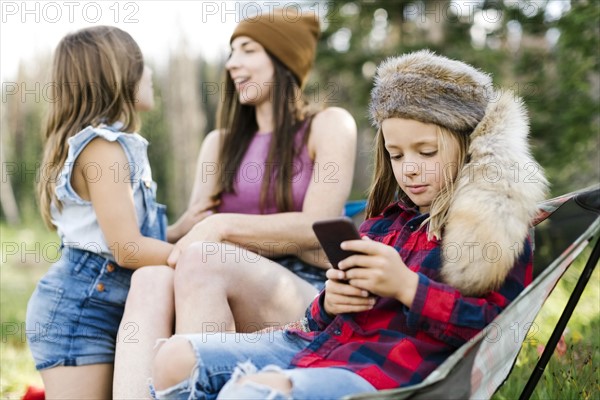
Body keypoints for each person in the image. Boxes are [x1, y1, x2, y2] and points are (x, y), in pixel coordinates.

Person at [150, 50, 549, 399]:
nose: (408, 169)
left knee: (252, 392)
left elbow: (499, 335)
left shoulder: (492, 226)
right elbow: (320, 320)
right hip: (317, 348)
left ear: (468, 146)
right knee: (174, 358)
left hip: (383, 375)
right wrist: (330, 301)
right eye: (395, 154)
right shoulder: (383, 225)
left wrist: (409, 288)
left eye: (426, 152)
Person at [112, 8, 357, 399]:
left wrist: (224, 227)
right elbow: (196, 234)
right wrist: (202, 230)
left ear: (283, 59)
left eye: (247, 50)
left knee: (206, 257)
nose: (232, 64)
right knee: (150, 278)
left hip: (309, 295)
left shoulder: (330, 125)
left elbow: (320, 225)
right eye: (230, 52)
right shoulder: (219, 144)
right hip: (213, 283)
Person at [25, 26, 205, 399]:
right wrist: (194, 254)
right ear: (117, 77)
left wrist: (177, 230)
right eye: (142, 66)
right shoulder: (103, 150)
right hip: (80, 316)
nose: (150, 73)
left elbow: (117, 233)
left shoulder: (113, 146)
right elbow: (126, 249)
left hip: (99, 305)